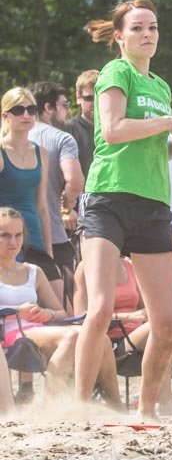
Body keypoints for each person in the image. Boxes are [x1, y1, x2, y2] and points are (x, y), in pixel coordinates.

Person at [76, 0, 172, 421]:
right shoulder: (115, 72)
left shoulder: (161, 86)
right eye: (137, 28)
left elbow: (161, 147)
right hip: (108, 198)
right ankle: (78, 407)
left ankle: (148, 410)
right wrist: (171, 123)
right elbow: (114, 131)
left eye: (153, 27)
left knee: (167, 321)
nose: (147, 34)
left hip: (153, 204)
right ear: (119, 36)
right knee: (99, 308)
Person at [0, 207, 120, 404]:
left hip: (37, 331)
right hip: (9, 334)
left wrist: (45, 312)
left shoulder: (33, 271)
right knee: (73, 335)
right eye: (4, 236)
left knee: (101, 339)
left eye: (18, 235)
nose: (13, 242)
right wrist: (17, 312)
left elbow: (60, 312)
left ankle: (115, 404)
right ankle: (52, 402)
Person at [74, 255, 172, 412]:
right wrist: (127, 317)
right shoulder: (86, 267)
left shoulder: (129, 265)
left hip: (139, 336)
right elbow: (81, 317)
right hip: (112, 343)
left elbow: (147, 307)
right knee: (165, 324)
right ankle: (164, 399)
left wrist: (150, 314)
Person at [28, 81, 84, 311]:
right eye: (64, 104)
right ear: (48, 107)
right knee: (65, 309)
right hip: (53, 233)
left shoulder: (10, 137)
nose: (68, 110)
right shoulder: (62, 138)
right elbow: (75, 180)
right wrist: (67, 206)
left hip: (14, 234)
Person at [0, 88, 56, 289]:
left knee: (60, 303)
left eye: (31, 109)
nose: (26, 115)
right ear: (5, 115)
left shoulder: (41, 152)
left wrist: (49, 250)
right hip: (7, 239)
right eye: (18, 110)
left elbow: (42, 205)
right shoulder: (1, 152)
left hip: (34, 236)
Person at [64, 69, 98, 178]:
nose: (95, 103)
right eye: (89, 98)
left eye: (99, 98)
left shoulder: (113, 129)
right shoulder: (67, 130)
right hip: (79, 193)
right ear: (78, 98)